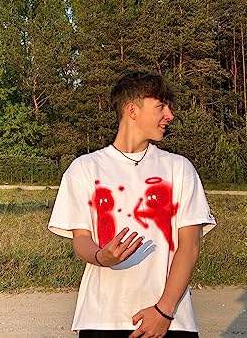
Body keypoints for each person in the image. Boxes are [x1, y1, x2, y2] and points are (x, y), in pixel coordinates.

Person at [48, 70, 216, 338]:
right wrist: (101, 256)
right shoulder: (84, 168)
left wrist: (164, 311)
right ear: (132, 110)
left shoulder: (179, 168)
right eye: (161, 106)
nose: (169, 115)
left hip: (171, 320)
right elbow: (81, 239)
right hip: (102, 319)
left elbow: (190, 246)